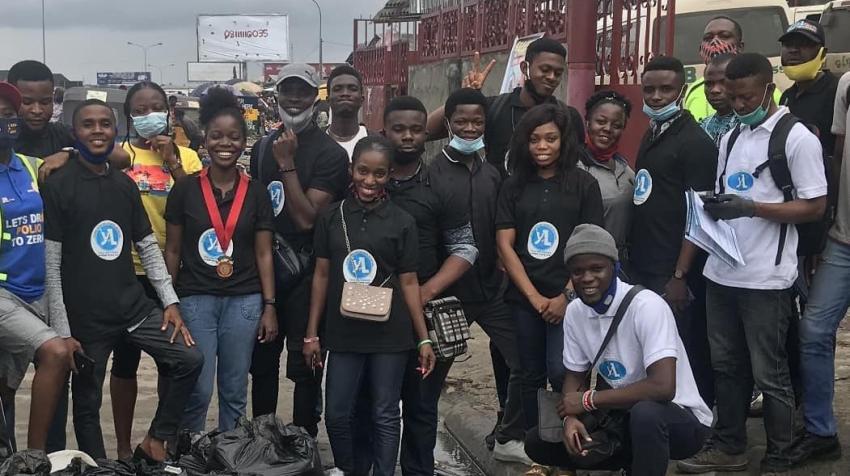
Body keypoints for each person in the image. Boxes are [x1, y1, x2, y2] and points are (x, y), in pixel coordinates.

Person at [678, 53, 828, 474]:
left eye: (747, 97)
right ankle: (729, 446)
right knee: (726, 366)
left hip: (767, 278)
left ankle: (778, 455)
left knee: (770, 373)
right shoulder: (730, 138)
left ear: (768, 88)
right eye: (732, 95)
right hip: (722, 271)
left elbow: (815, 206)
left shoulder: (796, 138)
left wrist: (752, 208)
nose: (739, 105)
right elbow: (727, 193)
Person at [42, 99, 203, 461]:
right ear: (75, 132)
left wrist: (170, 302)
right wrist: (63, 330)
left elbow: (147, 248)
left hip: (133, 308)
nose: (97, 131)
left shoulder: (125, 186)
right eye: (88, 124)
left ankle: (155, 440)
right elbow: (51, 266)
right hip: (86, 319)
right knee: (86, 404)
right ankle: (99, 467)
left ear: (116, 132)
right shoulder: (58, 186)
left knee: (189, 358)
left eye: (104, 124)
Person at [524, 224, 712, 476]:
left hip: (679, 421)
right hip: (621, 415)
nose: (587, 278)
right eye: (578, 271)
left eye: (597, 268)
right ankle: (628, 463)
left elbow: (663, 387)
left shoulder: (647, 306)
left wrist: (588, 400)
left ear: (615, 268)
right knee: (538, 441)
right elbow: (574, 378)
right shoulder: (575, 313)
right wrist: (571, 419)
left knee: (646, 414)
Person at [302, 136, 436, 476]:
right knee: (337, 412)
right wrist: (311, 334)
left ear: (389, 175)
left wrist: (422, 338)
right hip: (342, 331)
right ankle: (349, 469)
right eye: (363, 171)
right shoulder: (331, 217)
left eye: (379, 174)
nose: (369, 181)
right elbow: (320, 275)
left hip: (390, 334)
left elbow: (409, 282)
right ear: (352, 170)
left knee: (386, 412)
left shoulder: (402, 221)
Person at [426, 88, 530, 464]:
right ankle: (420, 446)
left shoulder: (493, 175)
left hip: (492, 290)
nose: (469, 128)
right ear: (448, 123)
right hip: (448, 296)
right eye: (461, 122)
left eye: (477, 122)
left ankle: (509, 433)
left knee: (523, 361)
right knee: (433, 374)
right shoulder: (431, 174)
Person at [164, 87, 277, 432]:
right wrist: (169, 301)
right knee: (197, 387)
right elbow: (172, 250)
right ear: (205, 141)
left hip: (244, 300)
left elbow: (263, 252)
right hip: (196, 298)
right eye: (216, 136)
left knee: (234, 389)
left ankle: (231, 454)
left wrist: (269, 305)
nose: (224, 143)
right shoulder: (184, 190)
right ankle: (190, 455)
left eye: (233, 137)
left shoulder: (256, 192)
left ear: (244, 142)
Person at [249, 63, 349, 437]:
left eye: (303, 92)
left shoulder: (330, 155)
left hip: (308, 274)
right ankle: (262, 439)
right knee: (261, 363)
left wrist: (288, 164)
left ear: (315, 97)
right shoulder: (261, 147)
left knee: (305, 364)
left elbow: (308, 219)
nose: (294, 99)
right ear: (276, 97)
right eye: (287, 91)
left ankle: (304, 440)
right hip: (267, 271)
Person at [381, 94, 478, 476]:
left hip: (428, 313)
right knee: (376, 402)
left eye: (416, 130)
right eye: (398, 129)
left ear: (428, 134)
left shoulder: (441, 186)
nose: (407, 137)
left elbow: (466, 247)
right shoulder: (366, 181)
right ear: (384, 131)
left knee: (421, 406)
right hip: (373, 314)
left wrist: (427, 290)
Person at [109, 81, 205, 459]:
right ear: (130, 116)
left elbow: (197, 206)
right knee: (125, 363)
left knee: (174, 359)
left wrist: (173, 163)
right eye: (140, 109)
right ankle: (119, 445)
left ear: (169, 112)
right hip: (125, 272)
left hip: (171, 273)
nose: (149, 115)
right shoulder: (120, 156)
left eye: (156, 107)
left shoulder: (189, 157)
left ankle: (160, 440)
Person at [496, 103, 603, 436]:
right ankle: (537, 448)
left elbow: (590, 247)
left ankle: (569, 443)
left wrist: (564, 296)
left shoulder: (584, 185)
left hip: (570, 299)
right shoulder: (513, 186)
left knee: (563, 371)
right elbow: (504, 245)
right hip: (525, 299)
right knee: (528, 374)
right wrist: (534, 298)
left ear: (564, 140)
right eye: (534, 139)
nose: (542, 147)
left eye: (550, 139)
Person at [629, 56, 717, 406]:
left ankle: (694, 421)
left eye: (665, 89)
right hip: (647, 263)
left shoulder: (694, 143)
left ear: (681, 90)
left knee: (684, 349)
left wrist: (680, 275)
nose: (656, 96)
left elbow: (700, 217)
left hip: (675, 270)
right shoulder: (652, 133)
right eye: (649, 89)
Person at [0, 81, 72, 451]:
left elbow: (105, 157)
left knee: (5, 386)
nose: (5, 121)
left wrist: (69, 153)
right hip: (4, 295)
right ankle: (33, 457)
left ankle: (11, 454)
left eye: (8, 115)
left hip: (38, 292)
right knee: (55, 352)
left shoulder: (30, 166)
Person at [790, 70, 850, 466]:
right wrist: (827, 226)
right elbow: (838, 157)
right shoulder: (847, 84)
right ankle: (820, 430)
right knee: (813, 330)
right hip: (843, 240)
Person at [426, 38, 585, 176]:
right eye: (545, 70)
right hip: (500, 207)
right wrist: (465, 95)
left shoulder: (568, 117)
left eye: (558, 73)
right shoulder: (495, 108)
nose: (551, 77)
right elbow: (427, 131)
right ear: (525, 68)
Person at [8, 60, 130, 180]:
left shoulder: (63, 134)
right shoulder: (5, 138)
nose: (37, 110)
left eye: (45, 102)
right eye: (27, 102)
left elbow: (122, 158)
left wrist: (70, 154)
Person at [577, 90, 635, 256]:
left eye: (616, 126)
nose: (608, 129)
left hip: (622, 263)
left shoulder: (625, 169)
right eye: (601, 121)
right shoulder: (576, 167)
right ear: (587, 122)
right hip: (589, 260)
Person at [779, 19, 839, 159]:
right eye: (788, 45)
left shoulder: (836, 92)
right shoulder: (787, 97)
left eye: (804, 44)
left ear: (823, 53)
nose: (793, 50)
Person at [684, 16, 745, 122]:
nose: (715, 42)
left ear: (740, 47)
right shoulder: (693, 90)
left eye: (724, 36)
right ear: (700, 49)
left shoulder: (761, 89)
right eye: (708, 38)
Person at [325, 65, 370, 159]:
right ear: (328, 99)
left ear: (362, 99)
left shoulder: (376, 142)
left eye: (352, 89)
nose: (345, 93)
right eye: (337, 89)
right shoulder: (316, 142)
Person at [699, 54, 740, 147]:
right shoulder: (702, 127)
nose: (715, 90)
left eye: (723, 82)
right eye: (709, 84)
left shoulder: (750, 125)